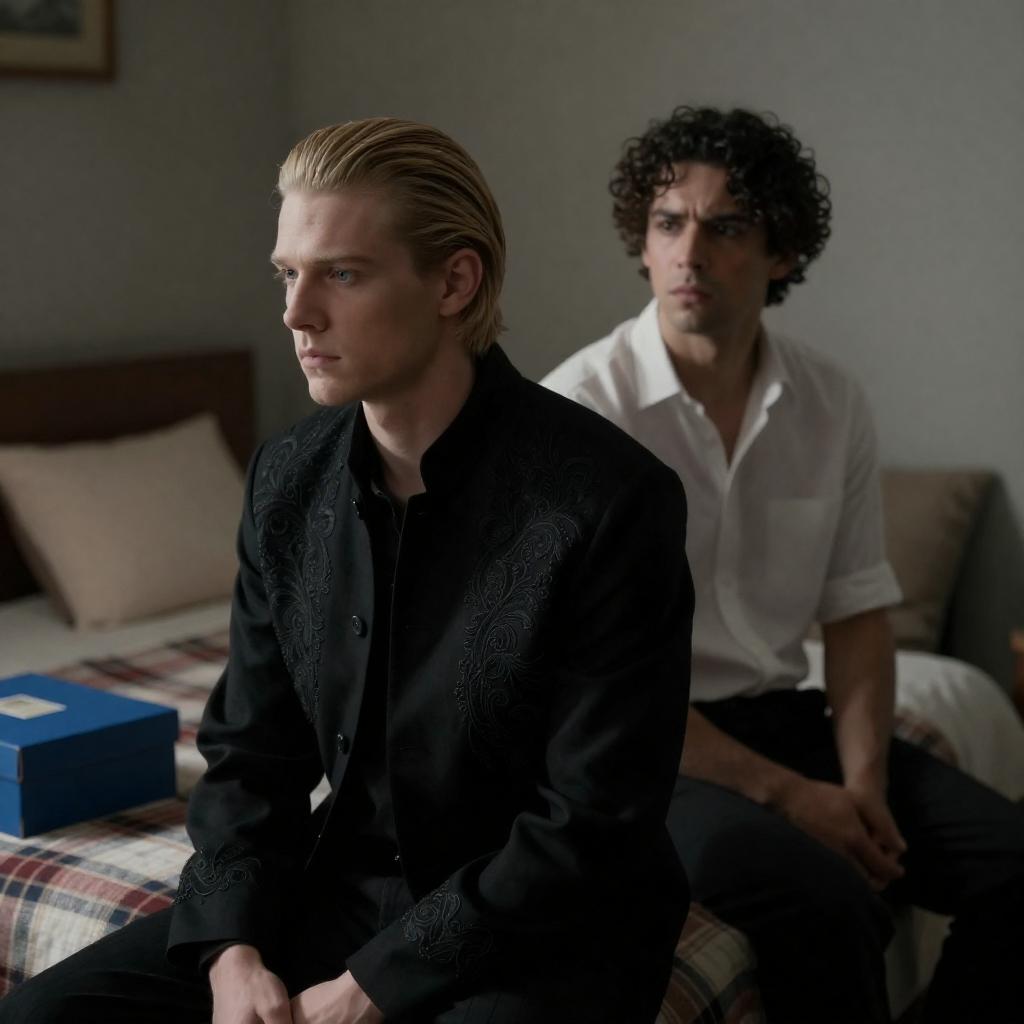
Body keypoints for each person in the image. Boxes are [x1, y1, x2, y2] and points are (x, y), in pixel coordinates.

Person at [0, 118, 694, 1023]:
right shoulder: (286, 479)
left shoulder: (611, 500)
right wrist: (233, 955)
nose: (297, 313)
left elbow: (591, 823)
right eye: (287, 274)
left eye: (342, 274)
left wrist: (367, 991)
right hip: (335, 895)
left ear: (454, 282)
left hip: (545, 929)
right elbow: (251, 755)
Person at [542, 106, 1024, 1023]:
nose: (689, 254)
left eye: (726, 228)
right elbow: (591, 682)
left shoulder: (829, 402)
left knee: (1015, 866)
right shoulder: (579, 412)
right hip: (638, 752)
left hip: (783, 716)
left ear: (782, 253)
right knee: (829, 906)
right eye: (668, 223)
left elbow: (856, 612)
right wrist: (792, 798)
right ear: (642, 242)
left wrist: (862, 786)